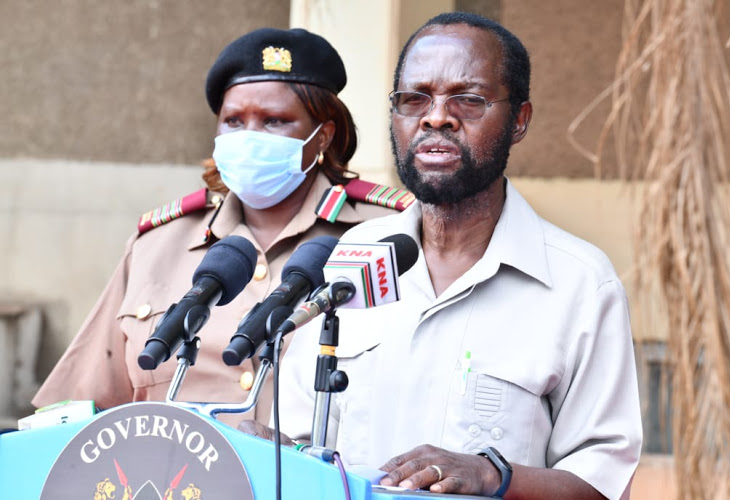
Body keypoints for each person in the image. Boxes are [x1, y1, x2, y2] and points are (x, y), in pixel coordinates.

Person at [241, 12, 642, 500]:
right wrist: (267, 449)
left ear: (519, 121)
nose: (436, 117)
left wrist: (492, 475)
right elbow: (304, 449)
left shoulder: (579, 282)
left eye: (468, 100)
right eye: (415, 98)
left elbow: (603, 484)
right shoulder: (354, 259)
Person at [32, 28, 412, 428]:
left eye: (274, 121)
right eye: (233, 121)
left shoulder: (383, 236)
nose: (249, 137)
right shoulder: (158, 243)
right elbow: (78, 410)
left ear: (323, 137)